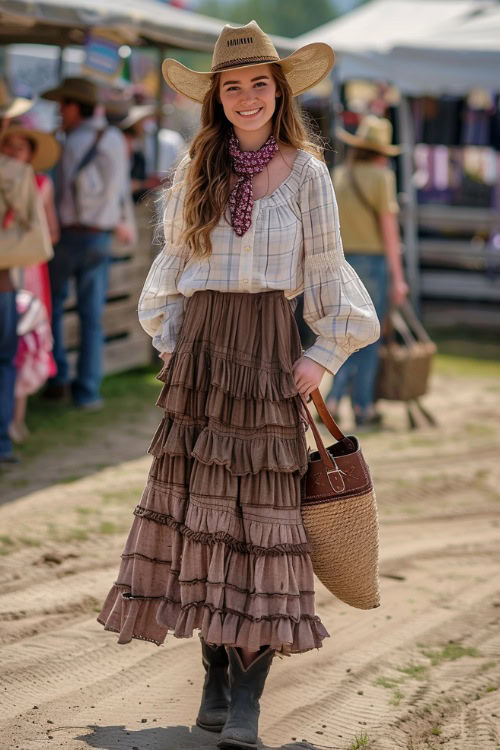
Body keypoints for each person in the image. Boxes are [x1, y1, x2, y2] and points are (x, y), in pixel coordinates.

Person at [98, 22, 379, 750]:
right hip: (200, 358)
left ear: (278, 93)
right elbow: (170, 270)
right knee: (202, 518)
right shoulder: (197, 166)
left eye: (260, 84)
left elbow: (326, 272)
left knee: (263, 524)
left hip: (267, 349)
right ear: (216, 98)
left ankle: (247, 700)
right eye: (233, 86)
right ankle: (214, 686)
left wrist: (320, 356)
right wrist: (172, 346)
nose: (248, 96)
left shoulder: (309, 173)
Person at [40, 77, 132, 410]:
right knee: (92, 316)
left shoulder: (70, 143)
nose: (59, 111)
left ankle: (57, 378)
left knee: (54, 307)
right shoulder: (115, 138)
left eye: (63, 105)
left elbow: (58, 191)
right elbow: (121, 189)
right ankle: (88, 390)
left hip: (69, 235)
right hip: (100, 236)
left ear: (76, 106)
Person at [324, 115, 409, 429]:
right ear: (382, 151)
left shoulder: (339, 175)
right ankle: (362, 406)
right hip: (372, 264)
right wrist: (399, 278)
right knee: (369, 338)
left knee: (343, 335)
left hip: (340, 263)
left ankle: (332, 400)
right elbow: (390, 231)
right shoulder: (381, 177)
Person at [0, 126, 60, 443]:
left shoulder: (40, 183)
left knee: (21, 346)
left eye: (20, 148)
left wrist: (20, 245)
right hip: (10, 273)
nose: (13, 152)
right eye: (8, 145)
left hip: (28, 274)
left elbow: (50, 234)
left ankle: (16, 421)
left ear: (31, 155)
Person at [0, 80, 34, 463]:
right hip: (4, 278)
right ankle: (3, 443)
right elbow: (31, 225)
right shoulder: (14, 172)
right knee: (5, 360)